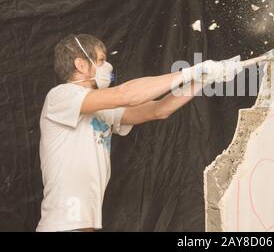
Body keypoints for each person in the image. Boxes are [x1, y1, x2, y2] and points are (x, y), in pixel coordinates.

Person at [36, 33, 242, 232]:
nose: (107, 67)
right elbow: (125, 95)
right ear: (81, 65)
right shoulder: (61, 96)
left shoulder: (102, 108)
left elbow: (158, 110)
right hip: (63, 225)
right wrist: (189, 72)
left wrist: (201, 80)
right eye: (101, 60)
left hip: (81, 225)